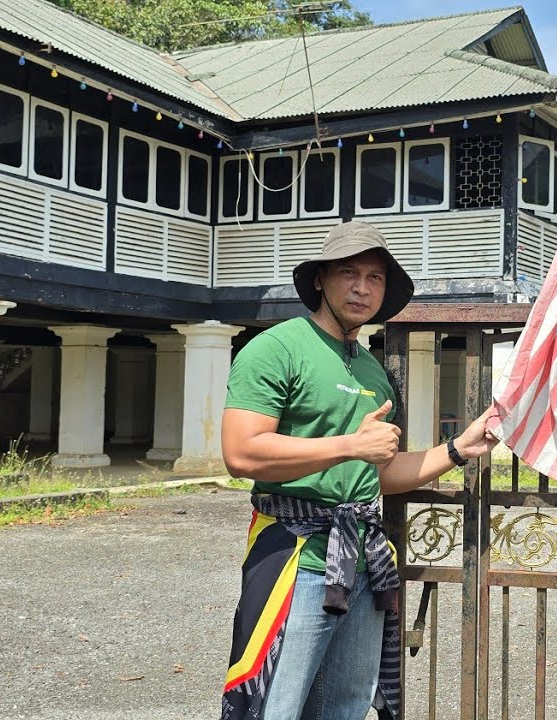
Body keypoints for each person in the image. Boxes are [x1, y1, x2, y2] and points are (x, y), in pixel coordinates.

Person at [218, 221, 498, 720]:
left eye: (375, 277)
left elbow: (378, 474)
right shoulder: (277, 348)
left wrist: (459, 448)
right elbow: (241, 453)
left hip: (363, 563)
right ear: (320, 279)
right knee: (275, 704)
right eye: (349, 273)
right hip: (296, 558)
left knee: (345, 707)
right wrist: (350, 445)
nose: (362, 288)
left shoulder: (373, 371)